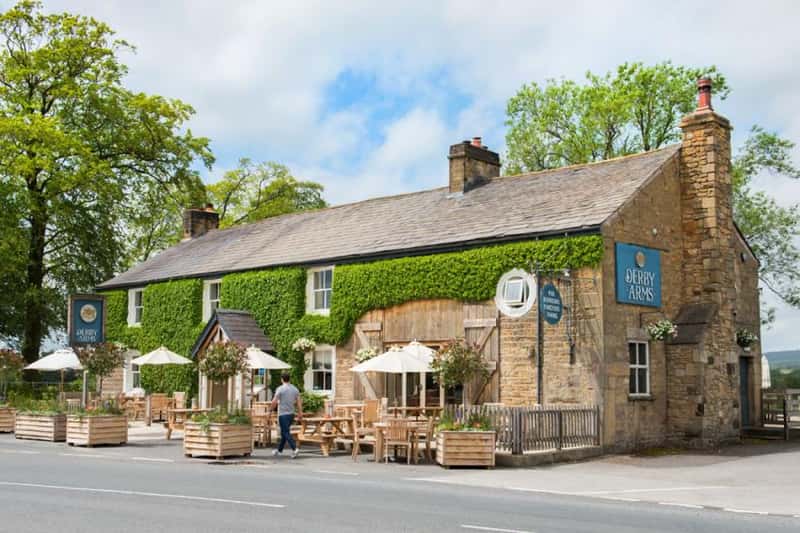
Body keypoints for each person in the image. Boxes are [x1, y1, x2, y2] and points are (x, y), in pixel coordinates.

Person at [271, 372, 303, 458]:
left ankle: (295, 448)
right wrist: (300, 413)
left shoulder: (280, 389)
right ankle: (279, 450)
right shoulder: (295, 389)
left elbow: (274, 401)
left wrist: (270, 410)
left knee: (285, 432)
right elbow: (299, 402)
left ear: (282, 379)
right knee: (284, 433)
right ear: (289, 379)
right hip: (291, 414)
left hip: (283, 414)